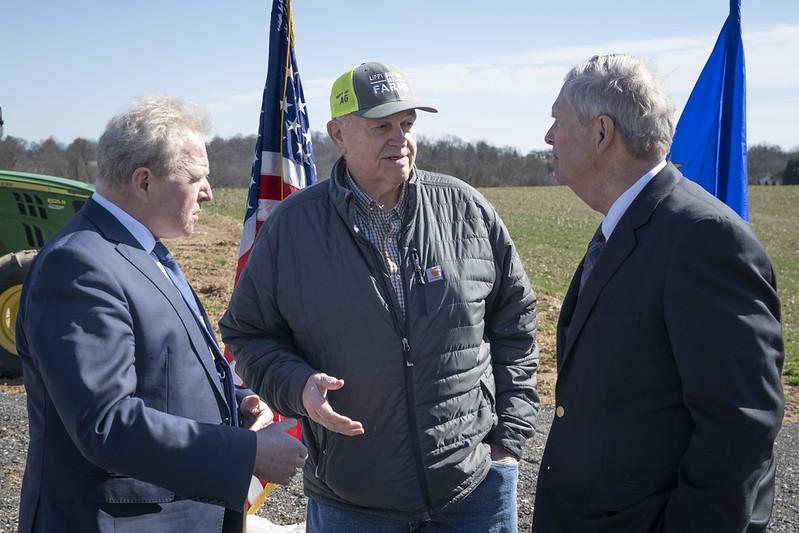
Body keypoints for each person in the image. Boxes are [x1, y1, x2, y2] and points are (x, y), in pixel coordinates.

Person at [220, 62, 538, 532]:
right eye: (381, 126)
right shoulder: (294, 226)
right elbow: (247, 334)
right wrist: (298, 386)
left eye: (407, 124)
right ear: (338, 134)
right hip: (352, 502)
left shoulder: (465, 209)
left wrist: (508, 441)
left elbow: (516, 323)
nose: (400, 138)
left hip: (474, 493)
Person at [15, 95, 307, 533]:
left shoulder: (140, 249)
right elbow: (106, 423)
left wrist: (234, 404)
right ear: (144, 182)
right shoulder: (79, 266)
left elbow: (161, 373)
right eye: (196, 178)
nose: (208, 192)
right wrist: (246, 453)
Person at [532, 54, 784, 532]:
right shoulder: (626, 224)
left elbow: (739, 426)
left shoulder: (704, 238)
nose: (548, 137)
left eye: (557, 121)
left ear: (602, 133)